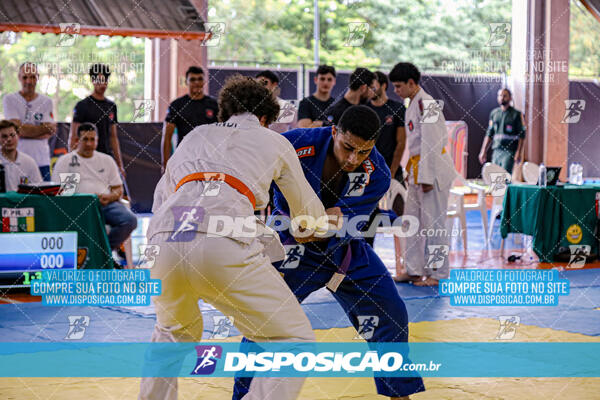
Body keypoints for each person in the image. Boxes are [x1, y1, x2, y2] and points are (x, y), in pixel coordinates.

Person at [138, 75, 335, 400]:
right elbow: (309, 221)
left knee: (172, 334)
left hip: (164, 239)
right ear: (265, 118)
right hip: (222, 240)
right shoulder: (275, 140)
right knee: (293, 340)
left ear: (224, 111)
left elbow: (160, 204)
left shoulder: (195, 135)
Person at [232, 105, 425, 400]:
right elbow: (250, 169)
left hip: (345, 252)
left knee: (391, 313)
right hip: (291, 250)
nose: (354, 159)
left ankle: (399, 393)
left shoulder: (378, 174)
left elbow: (330, 222)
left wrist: (309, 222)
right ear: (334, 131)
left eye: (363, 152)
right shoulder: (296, 144)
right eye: (348, 147)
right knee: (264, 321)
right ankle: (242, 396)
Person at [389, 62, 457, 287]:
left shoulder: (426, 104)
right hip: (418, 168)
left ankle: (438, 273)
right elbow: (416, 144)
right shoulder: (413, 103)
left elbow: (432, 142)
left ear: (411, 82)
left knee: (434, 224)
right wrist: (413, 172)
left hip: (433, 171)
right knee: (412, 221)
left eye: (399, 86)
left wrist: (426, 177)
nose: (396, 91)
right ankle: (414, 269)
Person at [53, 122, 137, 257]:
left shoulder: (107, 160)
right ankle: (97, 254)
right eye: (85, 139)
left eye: (92, 139)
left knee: (130, 220)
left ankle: (102, 252)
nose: (89, 144)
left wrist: (109, 197)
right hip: (78, 207)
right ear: (77, 140)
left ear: (97, 141)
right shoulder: (66, 161)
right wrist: (84, 200)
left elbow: (118, 190)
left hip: (105, 205)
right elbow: (60, 193)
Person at [2, 62, 57, 181]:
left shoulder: (46, 101)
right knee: (18, 197)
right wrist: (39, 131)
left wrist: (23, 130)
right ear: (19, 78)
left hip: (42, 161)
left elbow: (50, 130)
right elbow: (16, 130)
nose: (29, 81)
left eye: (33, 77)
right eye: (25, 77)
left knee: (43, 198)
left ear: (38, 77)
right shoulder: (9, 99)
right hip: (17, 161)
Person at [70, 64, 126, 177]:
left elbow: (113, 137)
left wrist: (119, 165)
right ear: (93, 80)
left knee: (118, 192)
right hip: (86, 157)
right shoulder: (82, 106)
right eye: (100, 80)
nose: (103, 84)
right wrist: (72, 160)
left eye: (105, 80)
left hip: (106, 157)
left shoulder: (111, 106)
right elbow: (73, 136)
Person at [162, 66, 218, 171]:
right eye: (192, 79)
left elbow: (223, 133)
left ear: (204, 81)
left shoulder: (215, 105)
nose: (196, 82)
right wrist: (165, 165)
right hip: (184, 159)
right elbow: (167, 136)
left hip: (209, 160)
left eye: (200, 79)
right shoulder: (177, 105)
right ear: (186, 82)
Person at [478, 88, 526, 174]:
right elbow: (489, 133)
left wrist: (518, 152)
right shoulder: (494, 113)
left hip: (509, 151)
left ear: (510, 98)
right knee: (495, 176)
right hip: (496, 150)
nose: (502, 98)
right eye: (500, 95)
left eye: (505, 96)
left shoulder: (516, 114)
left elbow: (521, 135)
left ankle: (505, 187)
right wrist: (483, 151)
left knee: (504, 176)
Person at [0, 120, 42, 191]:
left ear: (18, 136)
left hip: (25, 202)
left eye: (12, 135)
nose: (9, 139)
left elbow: (38, 190)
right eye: (4, 136)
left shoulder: (29, 162)